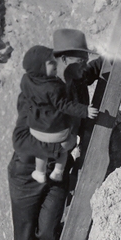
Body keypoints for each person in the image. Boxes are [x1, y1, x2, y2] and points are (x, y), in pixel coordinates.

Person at [8, 29, 103, 240]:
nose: (78, 64)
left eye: (81, 58)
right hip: (27, 173)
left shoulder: (72, 77)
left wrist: (111, 58)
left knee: (46, 232)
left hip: (58, 171)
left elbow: (90, 71)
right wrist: (60, 150)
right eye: (74, 58)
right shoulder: (33, 96)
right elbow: (21, 139)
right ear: (57, 60)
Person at [20, 44, 98, 183]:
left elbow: (90, 70)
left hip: (39, 131)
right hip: (54, 134)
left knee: (45, 153)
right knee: (64, 148)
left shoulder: (27, 82)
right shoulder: (53, 87)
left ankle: (45, 172)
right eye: (50, 63)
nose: (55, 64)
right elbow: (63, 105)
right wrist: (85, 111)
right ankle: (57, 171)